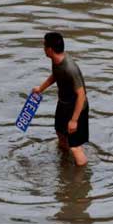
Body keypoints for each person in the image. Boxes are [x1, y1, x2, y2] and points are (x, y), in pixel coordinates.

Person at [33, 32, 89, 166]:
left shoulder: (70, 68)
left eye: (44, 46)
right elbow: (56, 74)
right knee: (60, 133)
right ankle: (64, 163)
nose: (43, 48)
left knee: (75, 147)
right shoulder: (56, 60)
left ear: (50, 49)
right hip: (63, 104)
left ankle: (81, 180)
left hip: (77, 108)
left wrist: (74, 120)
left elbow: (81, 95)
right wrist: (41, 88)